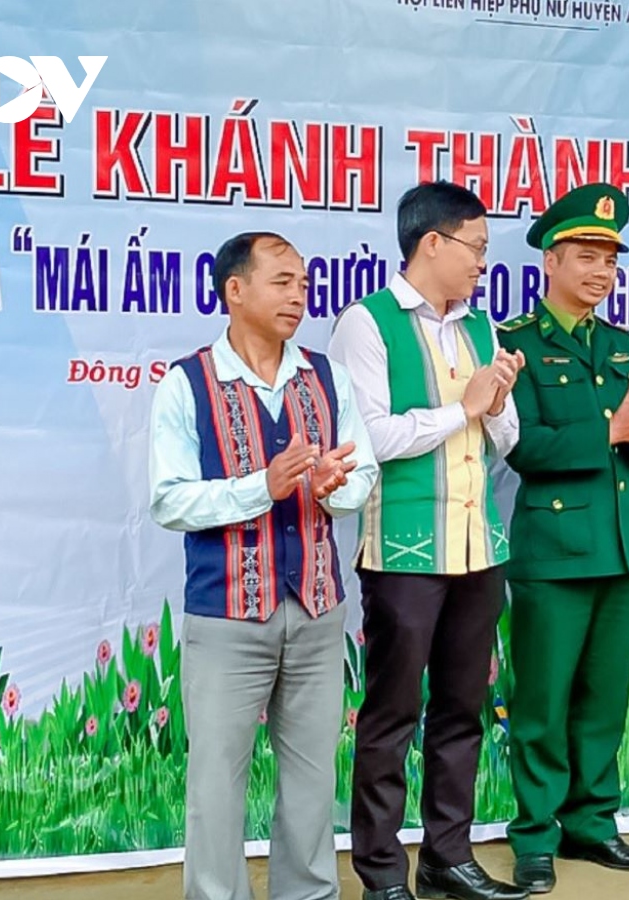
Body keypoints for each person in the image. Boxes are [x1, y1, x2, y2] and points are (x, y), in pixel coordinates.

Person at [149, 231, 378, 900]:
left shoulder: (325, 375)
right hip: (226, 617)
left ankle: (308, 894)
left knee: (312, 778)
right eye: (281, 282)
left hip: (316, 607)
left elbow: (362, 466)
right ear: (235, 290)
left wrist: (341, 488)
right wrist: (262, 485)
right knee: (216, 782)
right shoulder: (187, 383)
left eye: (303, 283)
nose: (298, 295)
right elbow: (169, 500)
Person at [327, 182, 528, 900]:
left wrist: (497, 406)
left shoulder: (481, 328)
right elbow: (368, 437)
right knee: (390, 716)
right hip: (405, 557)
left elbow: (501, 437)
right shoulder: (368, 324)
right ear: (432, 244)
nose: (482, 262)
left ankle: (449, 857)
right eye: (475, 247)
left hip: (480, 550)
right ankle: (382, 874)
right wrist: (461, 408)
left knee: (462, 710)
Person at [496, 183, 629, 894]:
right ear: (551, 259)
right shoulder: (515, 343)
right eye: (587, 257)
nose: (601, 272)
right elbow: (523, 447)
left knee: (604, 698)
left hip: (619, 544)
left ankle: (592, 826)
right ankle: (534, 837)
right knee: (541, 701)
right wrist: (608, 431)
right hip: (553, 549)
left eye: (610, 260)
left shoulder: (621, 344)